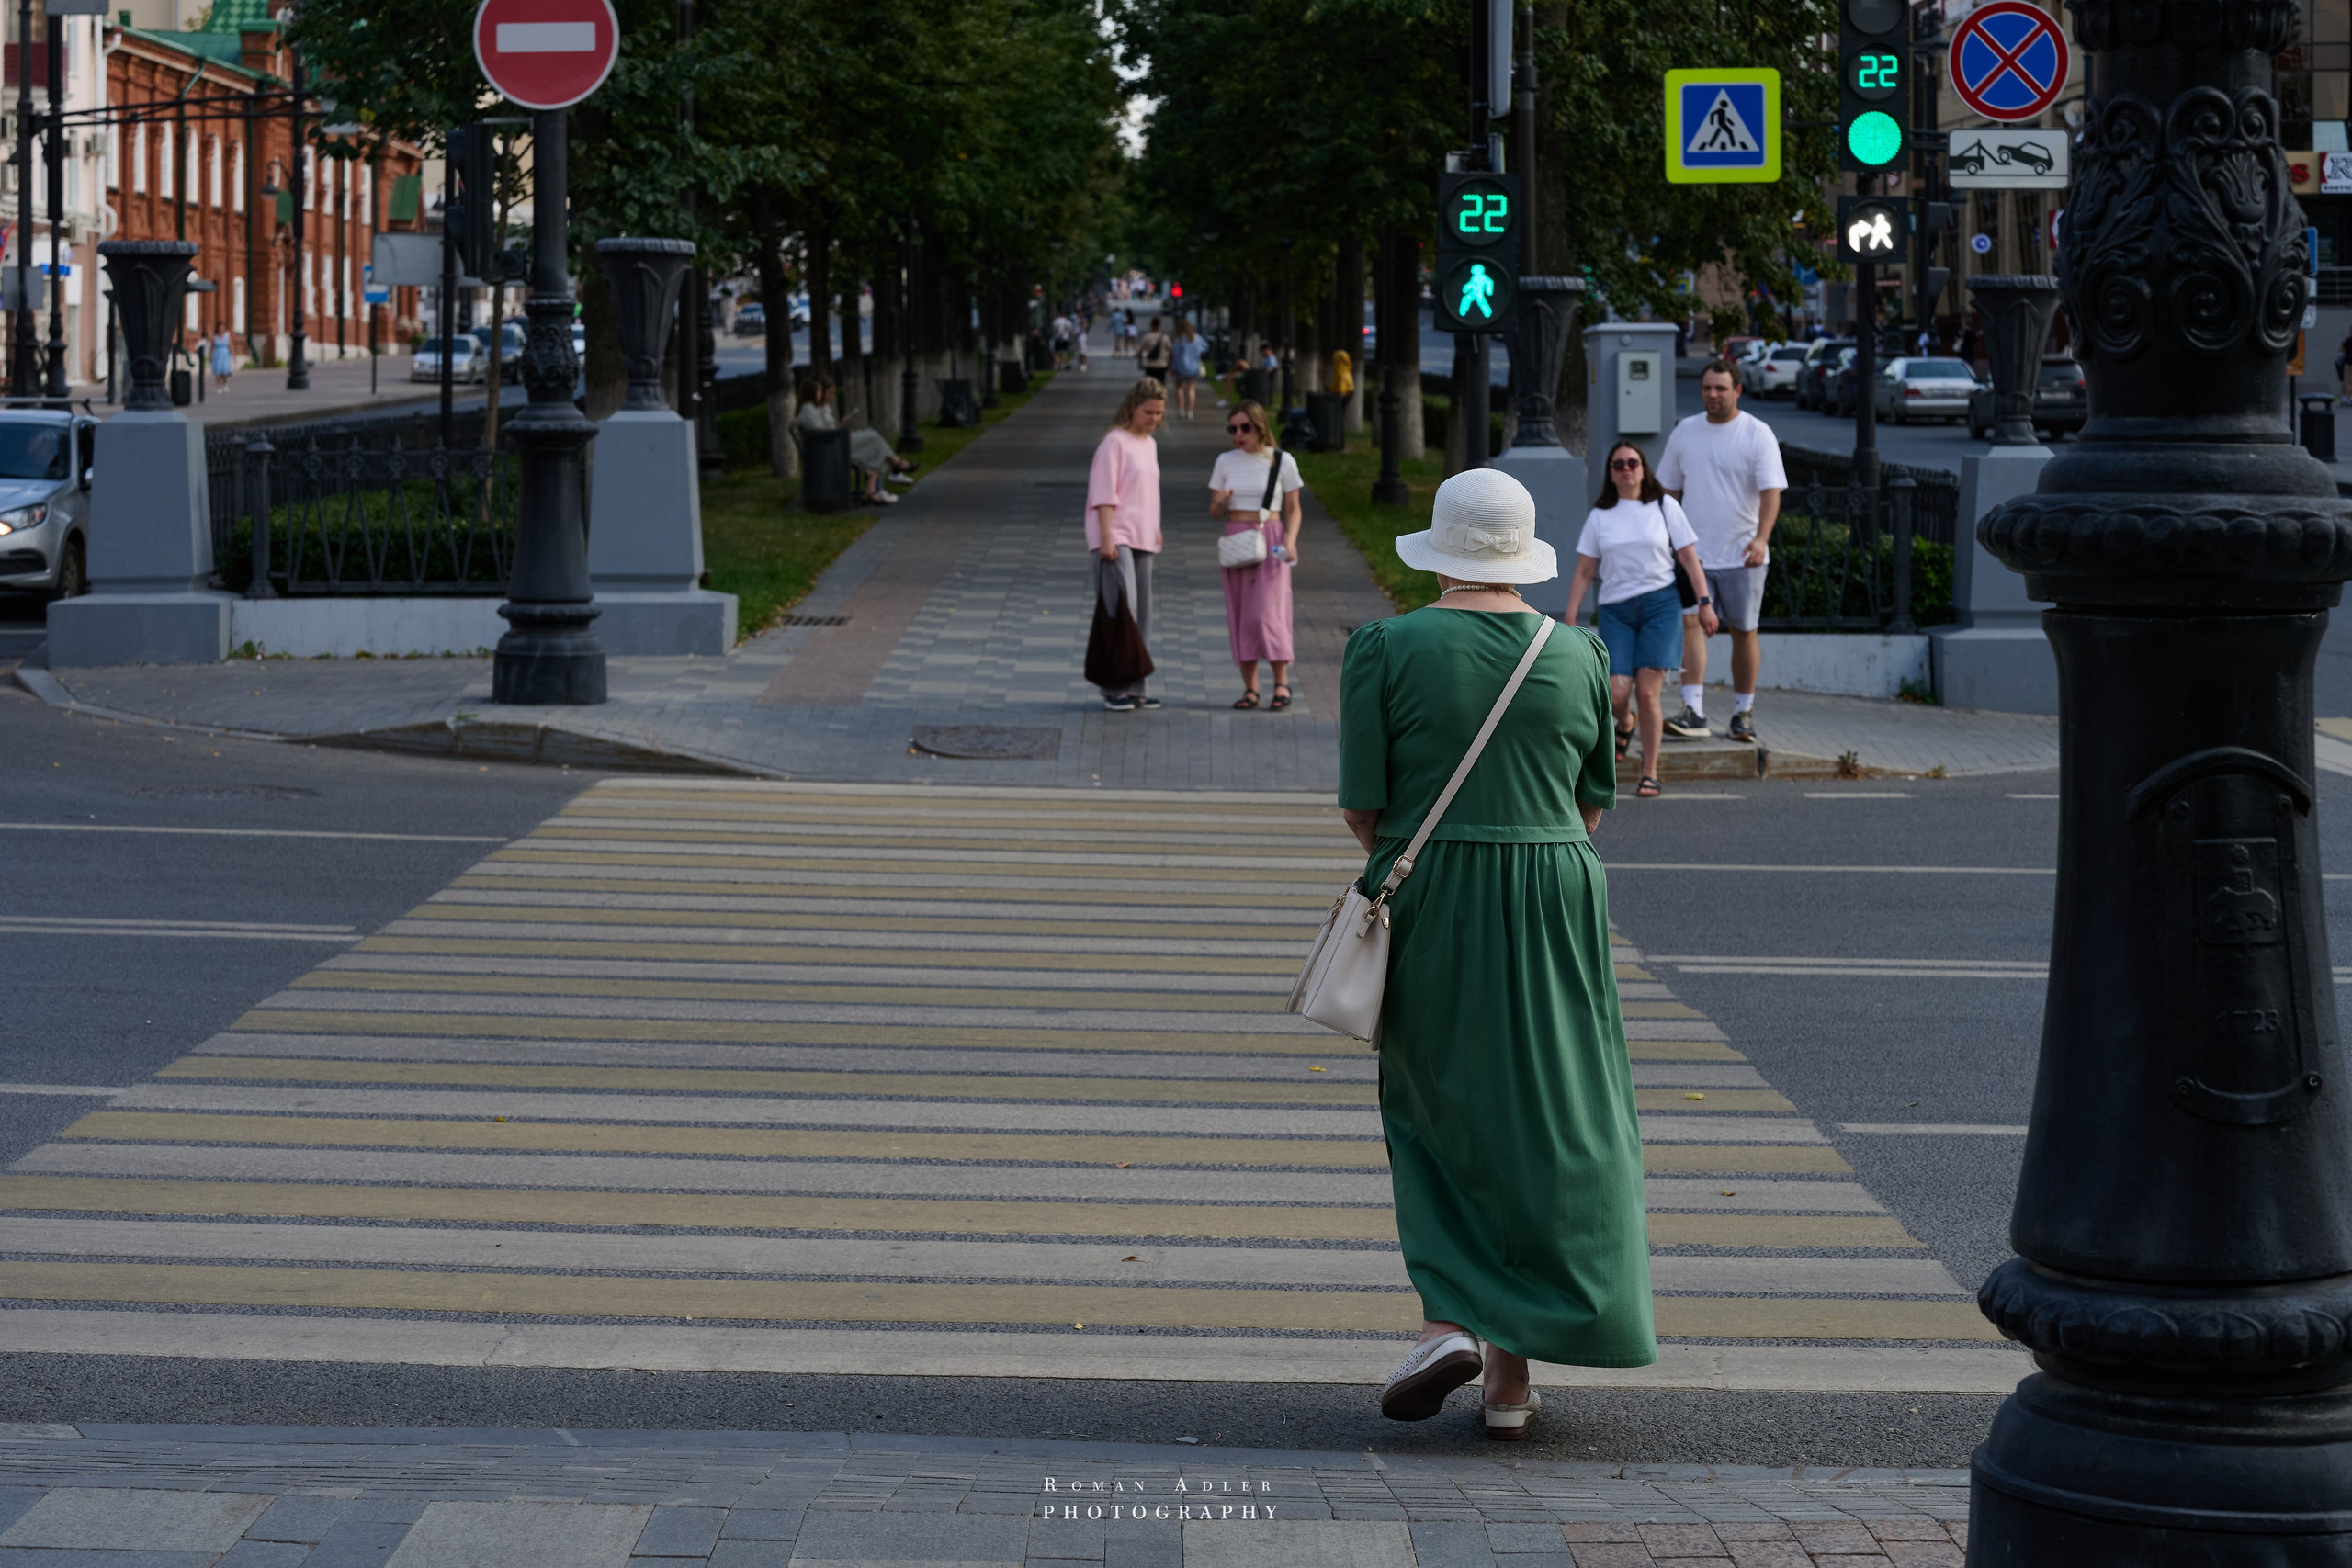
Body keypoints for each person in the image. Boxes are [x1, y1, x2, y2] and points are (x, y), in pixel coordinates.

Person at [1341, 467, 1655, 1440]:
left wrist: (1431, 860)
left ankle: (1446, 1322)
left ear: (1439, 548)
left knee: (1436, 1104)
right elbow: (1591, 800)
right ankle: (1510, 1384)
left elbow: (1364, 806)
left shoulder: (1386, 646)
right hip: (1558, 887)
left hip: (1432, 887)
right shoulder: (1575, 651)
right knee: (1550, 1109)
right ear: (1523, 555)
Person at [1562, 443, 1719, 797]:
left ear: (1644, 468)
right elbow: (1585, 570)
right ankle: (1626, 722)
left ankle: (1649, 771)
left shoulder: (1664, 506)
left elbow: (1690, 558)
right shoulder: (1601, 515)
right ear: (1611, 472)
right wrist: (1571, 618)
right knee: (1617, 694)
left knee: (1648, 694)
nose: (1626, 468)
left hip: (1661, 606)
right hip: (1617, 610)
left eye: (1633, 462)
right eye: (1618, 464)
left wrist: (1705, 603)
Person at [1655, 359, 1785, 743]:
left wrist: (1761, 539)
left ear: (1738, 391)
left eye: (1721, 389)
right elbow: (1668, 492)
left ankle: (1743, 713)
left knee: (1743, 631)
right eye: (1707, 388)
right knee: (1690, 623)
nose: (1713, 395)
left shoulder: (1757, 433)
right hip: (1693, 554)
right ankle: (1693, 711)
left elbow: (1771, 493)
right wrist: (1665, 538)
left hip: (1742, 554)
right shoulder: (1685, 432)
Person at [1210, 400, 1302, 710]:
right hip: (1236, 537)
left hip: (1271, 538)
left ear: (1260, 426)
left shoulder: (1282, 461)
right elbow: (1214, 512)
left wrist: (1290, 540)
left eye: (1245, 427)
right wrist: (1221, 502)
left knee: (1268, 612)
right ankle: (1250, 689)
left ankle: (1281, 682)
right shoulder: (1225, 461)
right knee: (1240, 613)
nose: (1238, 434)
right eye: (1232, 428)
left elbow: (1293, 507)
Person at [1086, 378, 1168, 712]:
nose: (1154, 418)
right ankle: (1113, 687)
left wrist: (1155, 527)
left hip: (1143, 536)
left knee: (1143, 614)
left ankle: (1136, 686)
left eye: (1160, 413)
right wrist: (1105, 537)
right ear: (1132, 408)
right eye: (1149, 412)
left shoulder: (1149, 444)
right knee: (1121, 611)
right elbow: (1104, 493)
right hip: (1114, 537)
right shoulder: (1113, 442)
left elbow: (1148, 492)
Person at [797, 375, 915, 505]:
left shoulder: (813, 409)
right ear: (812, 392)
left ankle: (874, 486)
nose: (819, 393)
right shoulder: (809, 409)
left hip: (834, 445)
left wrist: (839, 428)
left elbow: (823, 431)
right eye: (818, 390)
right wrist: (839, 431)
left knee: (874, 440)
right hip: (833, 450)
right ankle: (894, 467)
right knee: (874, 439)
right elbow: (821, 433)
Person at [1167, 321, 1204, 420]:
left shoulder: (1178, 339)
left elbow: (1174, 355)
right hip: (1193, 367)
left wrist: (1171, 367)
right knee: (1191, 388)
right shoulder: (1196, 338)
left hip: (1180, 367)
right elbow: (1205, 347)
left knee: (1179, 388)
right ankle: (1190, 411)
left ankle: (1180, 410)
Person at [1138, 316, 1173, 385]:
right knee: (1161, 385)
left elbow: (1140, 352)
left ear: (1151, 325)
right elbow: (1171, 352)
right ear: (1159, 325)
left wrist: (1140, 363)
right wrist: (1169, 364)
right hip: (1162, 365)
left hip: (1150, 365)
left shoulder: (1146, 337)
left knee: (1150, 386)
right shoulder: (1165, 337)